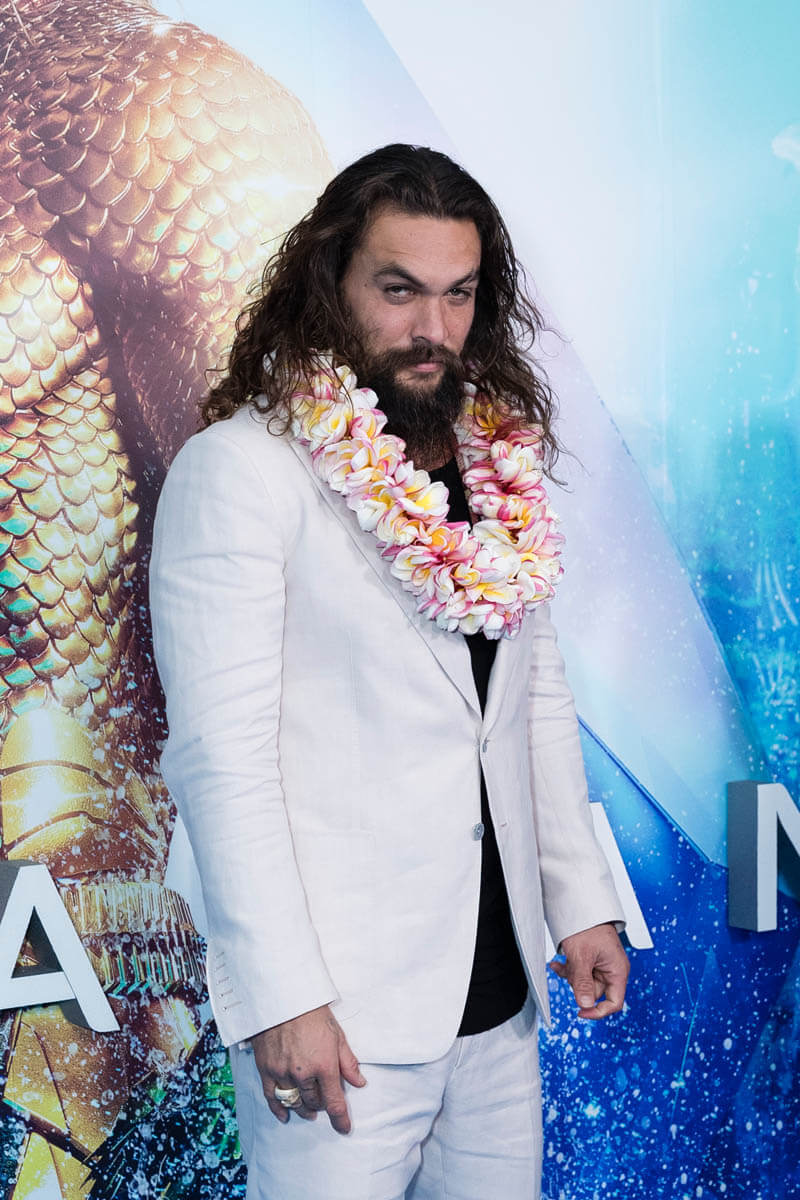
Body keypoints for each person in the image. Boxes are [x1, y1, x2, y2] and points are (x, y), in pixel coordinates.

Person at [149, 143, 629, 1200]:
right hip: (342, 1010)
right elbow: (221, 761)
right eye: (399, 289)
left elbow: (531, 703)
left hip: (498, 997)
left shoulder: (494, 465)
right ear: (330, 282)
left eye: (459, 294)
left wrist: (578, 901)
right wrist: (283, 997)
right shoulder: (239, 471)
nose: (433, 329)